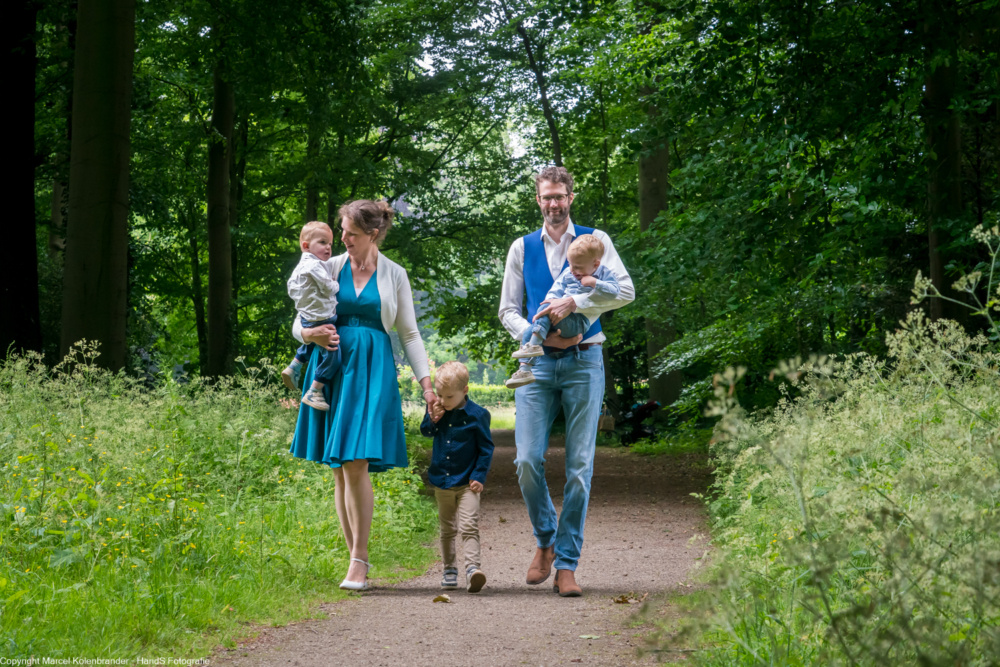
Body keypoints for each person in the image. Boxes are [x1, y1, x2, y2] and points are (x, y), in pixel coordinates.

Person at [498, 166, 634, 597]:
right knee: (525, 460)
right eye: (547, 196)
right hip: (537, 366)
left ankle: (567, 564)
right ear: (538, 200)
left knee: (579, 468)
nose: (553, 203)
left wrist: (576, 302)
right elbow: (507, 309)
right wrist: (534, 334)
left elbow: (624, 291)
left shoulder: (596, 240)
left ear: (571, 197)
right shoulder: (521, 248)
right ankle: (546, 539)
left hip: (584, 361)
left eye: (560, 195)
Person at [289, 199, 436, 591]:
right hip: (332, 366)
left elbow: (409, 334)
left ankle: (360, 559)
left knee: (355, 462)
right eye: (341, 231)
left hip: (372, 368)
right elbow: (300, 318)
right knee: (340, 467)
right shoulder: (327, 266)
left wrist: (426, 385)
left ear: (372, 233)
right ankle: (353, 556)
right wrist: (309, 334)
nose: (343, 239)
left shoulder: (394, 274)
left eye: (351, 233)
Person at [506, 234, 621, 388]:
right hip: (560, 319)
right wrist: (553, 303)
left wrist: (595, 282)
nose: (573, 270)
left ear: (595, 264)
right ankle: (524, 370)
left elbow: (615, 291)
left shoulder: (602, 273)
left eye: (578, 267)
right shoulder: (569, 272)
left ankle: (534, 345)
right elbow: (556, 290)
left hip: (578, 322)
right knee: (531, 329)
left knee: (541, 320)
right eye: (570, 264)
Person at [420, 361, 494, 593]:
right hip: (442, 481)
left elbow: (486, 448)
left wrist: (479, 475)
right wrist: (432, 418)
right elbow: (426, 432)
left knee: (469, 525)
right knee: (447, 528)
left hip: (467, 483)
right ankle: (449, 569)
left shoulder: (478, 415)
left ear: (465, 391)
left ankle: (473, 569)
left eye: (449, 396)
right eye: (440, 395)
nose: (443, 400)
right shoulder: (438, 410)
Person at [282, 221, 341, 411]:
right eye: (323, 242)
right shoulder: (315, 266)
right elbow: (329, 287)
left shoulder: (301, 267)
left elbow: (292, 289)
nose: (328, 247)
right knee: (333, 355)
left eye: (330, 243)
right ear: (306, 246)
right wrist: (335, 283)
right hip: (323, 318)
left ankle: (294, 365)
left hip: (309, 317)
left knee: (313, 342)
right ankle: (315, 390)